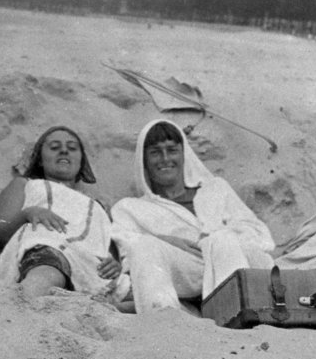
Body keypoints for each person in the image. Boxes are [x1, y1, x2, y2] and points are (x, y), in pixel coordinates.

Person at [111, 119, 275, 313]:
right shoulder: (130, 208)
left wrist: (212, 240)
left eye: (172, 150)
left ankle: (235, 316)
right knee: (144, 245)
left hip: (232, 261)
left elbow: (258, 234)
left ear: (184, 154)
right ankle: (162, 320)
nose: (165, 159)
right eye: (155, 152)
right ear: (144, 161)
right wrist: (166, 240)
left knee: (222, 239)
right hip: (186, 272)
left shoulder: (215, 189)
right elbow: (128, 252)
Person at [0, 125, 129, 300]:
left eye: (72, 148)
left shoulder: (97, 207)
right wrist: (27, 214)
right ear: (40, 160)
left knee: (140, 295)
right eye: (54, 147)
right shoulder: (26, 184)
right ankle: (22, 303)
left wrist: (114, 265)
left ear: (81, 161)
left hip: (90, 269)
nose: (64, 151)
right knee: (47, 276)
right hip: (47, 252)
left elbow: (108, 253)